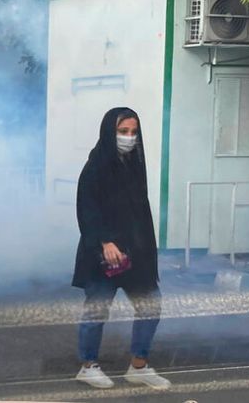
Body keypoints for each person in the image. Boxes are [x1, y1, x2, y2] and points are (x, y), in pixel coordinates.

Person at [72, 107, 170, 391]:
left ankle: (138, 366)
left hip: (135, 253)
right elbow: (87, 208)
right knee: (97, 310)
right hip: (105, 255)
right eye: (123, 131)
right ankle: (88, 366)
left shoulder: (134, 163)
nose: (129, 137)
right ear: (109, 132)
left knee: (150, 305)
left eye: (133, 132)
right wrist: (105, 241)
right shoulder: (96, 166)